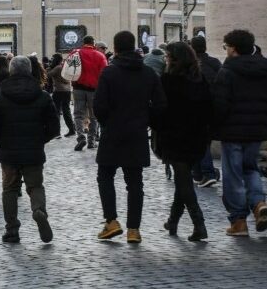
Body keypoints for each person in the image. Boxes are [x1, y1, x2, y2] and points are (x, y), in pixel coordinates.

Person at [94, 31, 167, 244]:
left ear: (115, 49)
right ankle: (134, 229)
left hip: (113, 132)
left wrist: (108, 123)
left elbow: (99, 106)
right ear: (134, 46)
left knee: (105, 176)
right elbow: (161, 105)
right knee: (135, 182)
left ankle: (111, 221)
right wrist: (146, 120)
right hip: (137, 133)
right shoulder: (148, 73)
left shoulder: (109, 73)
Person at [0, 56, 59, 243]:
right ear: (30, 71)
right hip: (33, 150)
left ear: (11, 71)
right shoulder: (42, 96)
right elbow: (54, 128)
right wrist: (39, 140)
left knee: (10, 189)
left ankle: (12, 230)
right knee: (35, 186)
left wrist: (0, 143)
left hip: (8, 151)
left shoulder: (0, 97)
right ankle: (39, 210)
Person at [154, 42, 212, 242]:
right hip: (196, 137)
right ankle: (173, 220)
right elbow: (208, 108)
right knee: (183, 178)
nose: (166, 59)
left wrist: (156, 126)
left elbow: (160, 109)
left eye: (168, 56)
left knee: (184, 180)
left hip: (174, 136)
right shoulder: (199, 79)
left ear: (174, 59)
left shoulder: (168, 80)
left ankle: (199, 224)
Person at [212, 29, 267, 236]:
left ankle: (239, 221)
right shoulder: (264, 67)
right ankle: (258, 203)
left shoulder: (228, 71)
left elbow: (220, 104)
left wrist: (214, 127)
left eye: (226, 47)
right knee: (250, 168)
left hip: (232, 130)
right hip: (257, 129)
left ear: (233, 49)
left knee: (233, 174)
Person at [190, 36, 222, 187]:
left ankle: (206, 172)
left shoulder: (190, 65)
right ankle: (198, 173)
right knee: (204, 141)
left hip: (197, 108)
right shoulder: (215, 63)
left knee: (199, 141)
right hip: (213, 107)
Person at [70, 35, 108, 152]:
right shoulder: (100, 56)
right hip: (94, 89)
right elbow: (104, 73)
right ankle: (91, 141)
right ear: (93, 43)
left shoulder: (75, 53)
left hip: (78, 87)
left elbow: (67, 67)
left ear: (83, 42)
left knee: (78, 114)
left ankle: (81, 137)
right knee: (93, 116)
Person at [47, 54, 76, 138]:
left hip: (59, 91)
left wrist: (48, 68)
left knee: (56, 111)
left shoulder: (57, 68)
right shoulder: (64, 67)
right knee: (66, 110)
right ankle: (72, 130)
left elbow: (48, 75)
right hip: (67, 91)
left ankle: (57, 132)